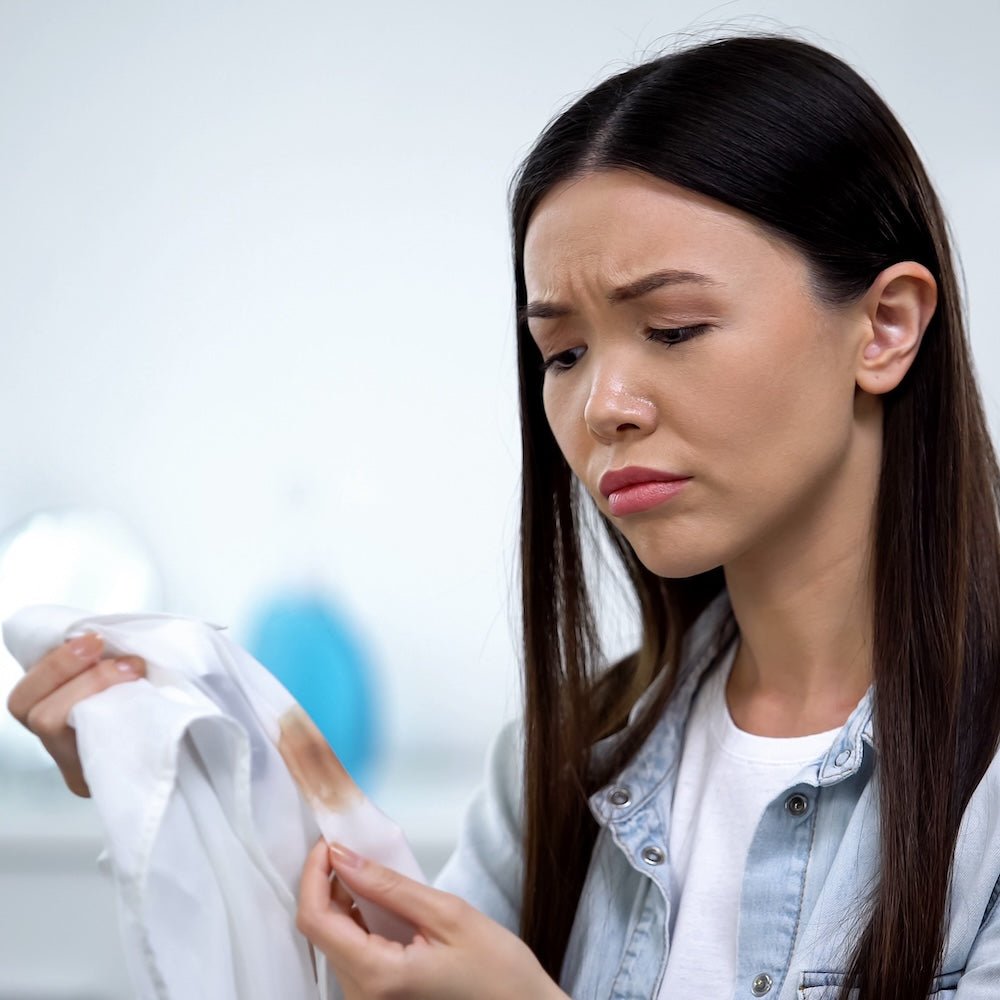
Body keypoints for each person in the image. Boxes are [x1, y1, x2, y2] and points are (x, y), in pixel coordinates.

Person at [8, 30, 1000, 1000]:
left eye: (671, 328)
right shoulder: (570, 762)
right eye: (561, 353)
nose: (604, 402)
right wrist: (176, 779)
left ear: (884, 327)